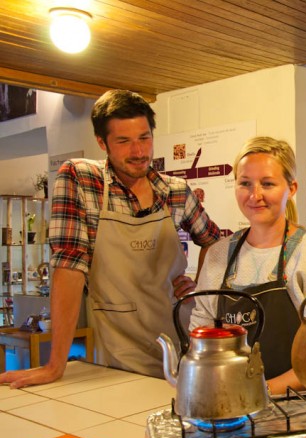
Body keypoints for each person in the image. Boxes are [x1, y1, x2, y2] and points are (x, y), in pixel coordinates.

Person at [0, 89, 221, 388]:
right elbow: (68, 267)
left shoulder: (175, 191)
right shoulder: (80, 178)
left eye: (144, 138)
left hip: (177, 338)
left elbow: (214, 242)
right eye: (124, 141)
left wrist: (201, 286)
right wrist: (55, 365)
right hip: (118, 346)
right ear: (102, 142)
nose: (139, 152)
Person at [190, 136, 306, 395]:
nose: (255, 195)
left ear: (292, 188)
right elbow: (200, 332)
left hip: (299, 404)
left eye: (267, 184)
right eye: (245, 183)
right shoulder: (218, 256)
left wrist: (261, 390)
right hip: (228, 399)